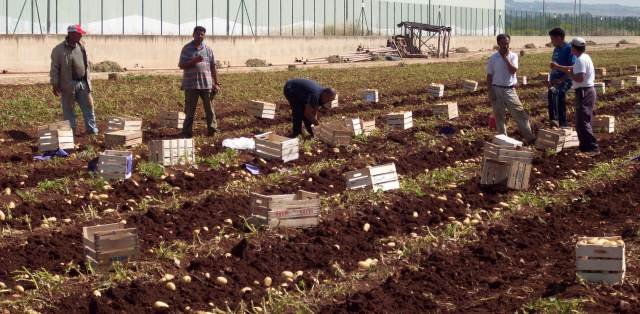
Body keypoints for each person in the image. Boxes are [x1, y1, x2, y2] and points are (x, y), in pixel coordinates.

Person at [551, 37, 600, 156]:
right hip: (585, 91)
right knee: (580, 122)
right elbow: (572, 69)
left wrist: (569, 74)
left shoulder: (580, 60)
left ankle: (593, 148)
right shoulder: (584, 57)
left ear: (574, 48)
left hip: (584, 92)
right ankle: (584, 148)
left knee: (583, 122)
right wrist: (558, 67)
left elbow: (580, 77)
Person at [486, 34, 536, 145]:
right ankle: (503, 140)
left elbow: (513, 70)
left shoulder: (513, 56)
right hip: (496, 89)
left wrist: (505, 59)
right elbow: (489, 75)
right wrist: (490, 91)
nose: (505, 45)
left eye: (507, 43)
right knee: (499, 116)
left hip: (510, 90)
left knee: (519, 113)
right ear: (498, 44)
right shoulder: (493, 58)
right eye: (503, 43)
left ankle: (530, 137)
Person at [50, 24, 98, 136]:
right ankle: (70, 132)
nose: (81, 36)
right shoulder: (58, 50)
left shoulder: (81, 46)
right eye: (78, 34)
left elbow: (86, 65)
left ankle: (91, 130)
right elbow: (54, 68)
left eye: (81, 34)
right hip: (68, 84)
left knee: (89, 106)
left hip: (82, 82)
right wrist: (55, 83)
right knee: (69, 109)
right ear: (71, 34)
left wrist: (88, 80)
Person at [178, 26, 220, 138]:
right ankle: (186, 133)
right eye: (198, 34)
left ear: (204, 36)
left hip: (206, 84)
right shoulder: (186, 48)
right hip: (191, 85)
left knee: (209, 109)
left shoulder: (208, 49)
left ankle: (213, 130)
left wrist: (216, 83)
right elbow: (181, 65)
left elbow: (213, 67)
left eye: (202, 34)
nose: (200, 36)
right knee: (190, 111)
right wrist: (194, 61)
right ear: (193, 34)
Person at [547, 27, 576, 128]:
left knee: (553, 91)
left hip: (566, 80)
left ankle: (554, 119)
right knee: (560, 102)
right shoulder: (556, 49)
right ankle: (563, 125)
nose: (551, 41)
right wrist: (551, 79)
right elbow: (555, 66)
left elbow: (572, 68)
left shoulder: (569, 49)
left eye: (552, 39)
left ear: (558, 38)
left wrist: (561, 79)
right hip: (555, 80)